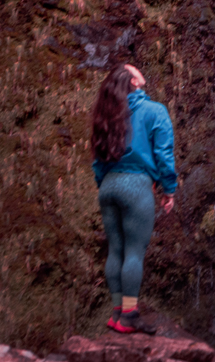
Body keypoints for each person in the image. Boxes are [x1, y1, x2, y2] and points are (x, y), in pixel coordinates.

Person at [90, 62, 178, 335]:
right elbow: (164, 154)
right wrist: (169, 189)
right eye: (135, 70)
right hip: (137, 186)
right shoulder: (155, 111)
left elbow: (97, 160)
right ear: (134, 82)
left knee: (115, 250)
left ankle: (116, 312)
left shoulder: (106, 115)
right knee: (134, 254)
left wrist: (104, 184)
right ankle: (129, 315)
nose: (139, 70)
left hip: (109, 187)